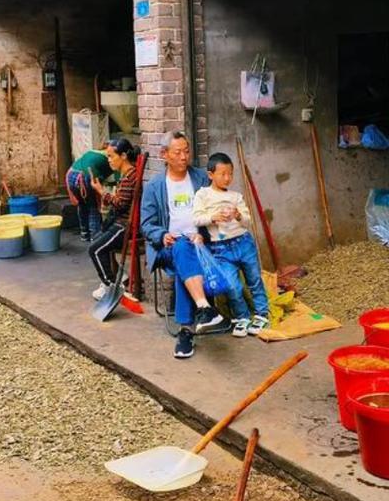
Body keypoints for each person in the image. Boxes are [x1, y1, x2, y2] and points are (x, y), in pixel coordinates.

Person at [139, 132, 225, 360]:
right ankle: (204, 309)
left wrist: (204, 235)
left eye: (186, 151)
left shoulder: (200, 178)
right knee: (180, 248)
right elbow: (146, 225)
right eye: (177, 152)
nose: (184, 156)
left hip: (200, 246)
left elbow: (216, 207)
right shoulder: (155, 186)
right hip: (168, 247)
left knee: (183, 262)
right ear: (164, 154)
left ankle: (186, 332)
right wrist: (162, 234)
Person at [192, 153, 270, 337]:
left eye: (230, 174)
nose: (227, 178)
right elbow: (196, 218)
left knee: (254, 280)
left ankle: (262, 314)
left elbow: (249, 221)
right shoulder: (203, 195)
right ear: (211, 175)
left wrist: (238, 216)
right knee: (232, 285)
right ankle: (241, 316)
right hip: (220, 249)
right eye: (223, 174)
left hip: (243, 242)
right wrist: (213, 217)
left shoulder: (236, 197)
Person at [86, 139, 140, 298]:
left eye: (111, 156)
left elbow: (120, 204)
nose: (108, 160)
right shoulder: (128, 174)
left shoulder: (129, 178)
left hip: (125, 226)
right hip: (121, 222)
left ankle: (111, 286)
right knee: (96, 239)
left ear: (123, 156)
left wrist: (102, 191)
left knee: (95, 249)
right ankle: (115, 279)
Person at [66, 147, 114, 243]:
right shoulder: (109, 159)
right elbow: (111, 181)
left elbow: (69, 171)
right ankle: (95, 236)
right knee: (93, 206)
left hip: (71, 176)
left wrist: (70, 193)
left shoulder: (90, 152)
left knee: (82, 204)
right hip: (85, 178)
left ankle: (84, 234)